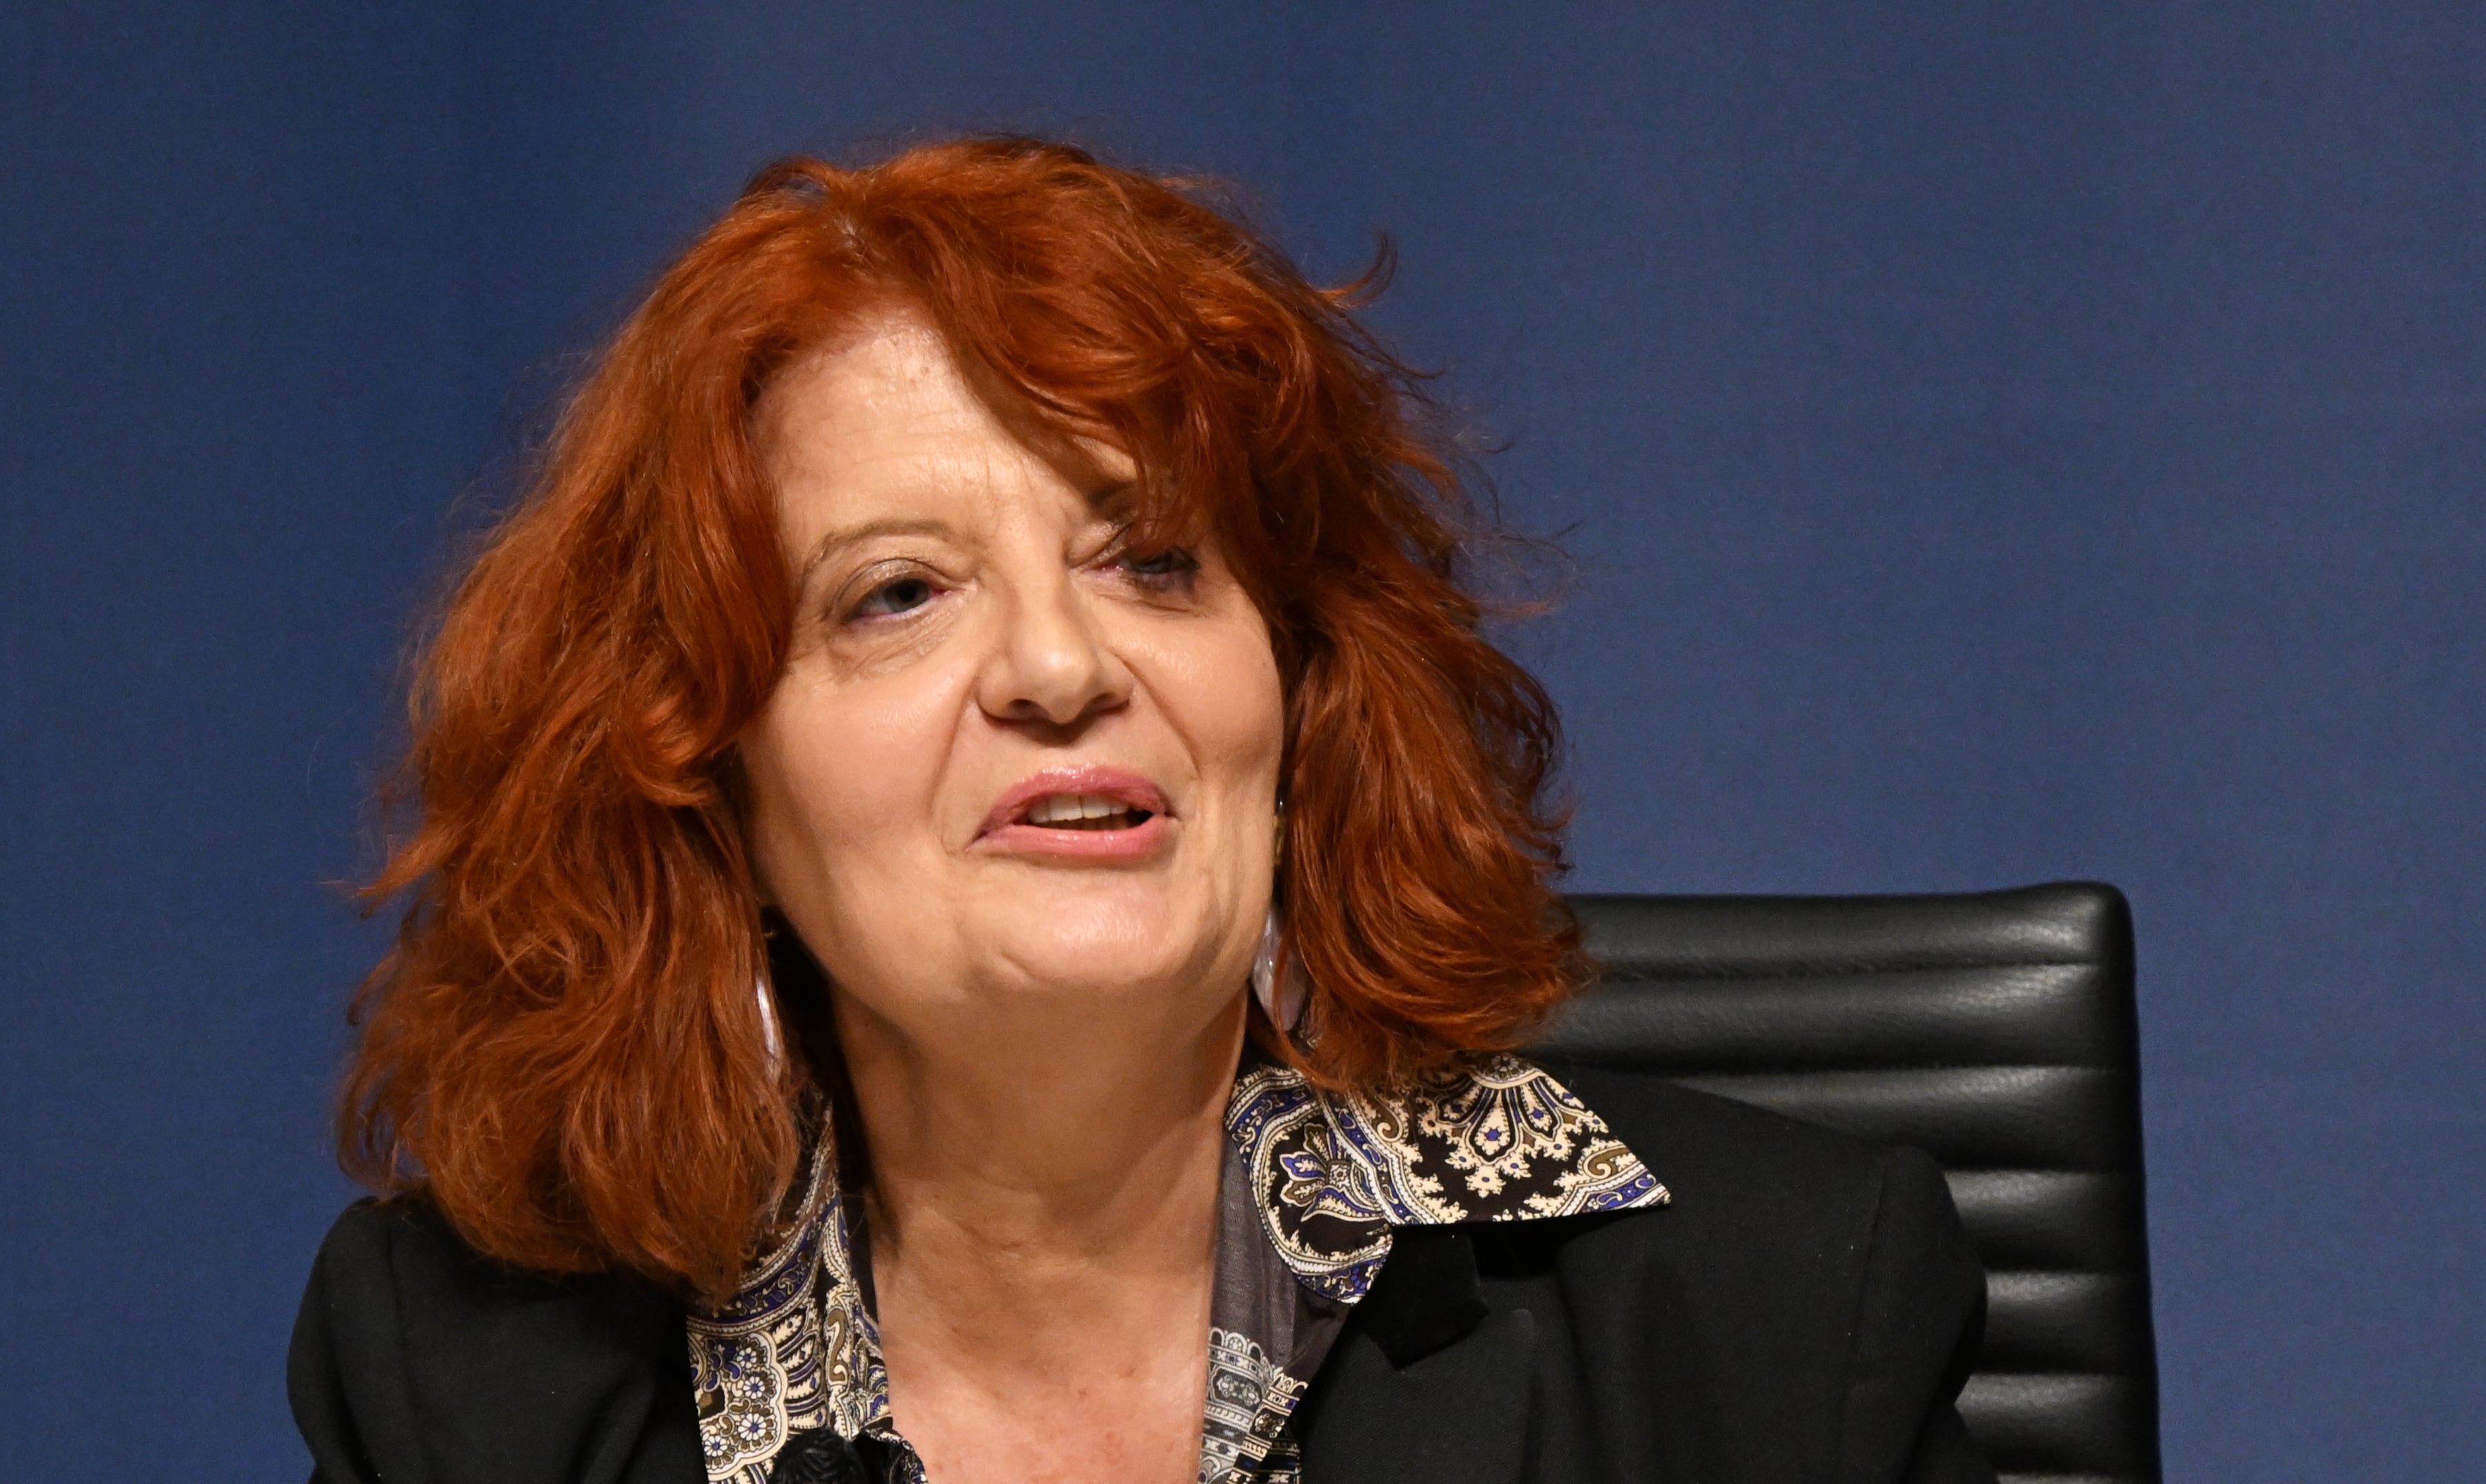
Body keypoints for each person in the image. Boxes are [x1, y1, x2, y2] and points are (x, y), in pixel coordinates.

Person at [289, 137, 1994, 1484]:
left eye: (1155, 561)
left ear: (1301, 696)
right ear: (702, 774)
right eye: (897, 594)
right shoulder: (464, 1386)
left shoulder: (1779, 1319)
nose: (1058, 665)